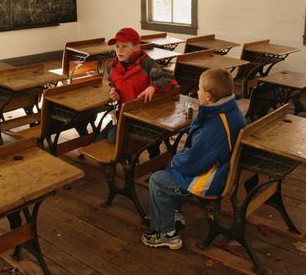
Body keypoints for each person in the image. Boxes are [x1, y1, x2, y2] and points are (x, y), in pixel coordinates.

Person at [141, 68, 247, 250]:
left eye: (198, 89)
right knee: (172, 169)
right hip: (223, 167)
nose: (196, 92)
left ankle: (166, 233)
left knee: (159, 179)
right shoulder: (229, 110)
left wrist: (175, 161)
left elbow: (193, 163)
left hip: (213, 178)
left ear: (208, 96)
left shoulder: (215, 126)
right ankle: (173, 213)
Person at [98, 27, 176, 143]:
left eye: (124, 46)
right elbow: (108, 82)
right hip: (122, 114)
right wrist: (113, 91)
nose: (120, 50)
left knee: (112, 139)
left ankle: (136, 151)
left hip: (141, 117)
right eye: (117, 46)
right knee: (99, 139)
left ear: (136, 47)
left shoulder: (146, 63)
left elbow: (169, 79)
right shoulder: (113, 66)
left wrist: (153, 87)